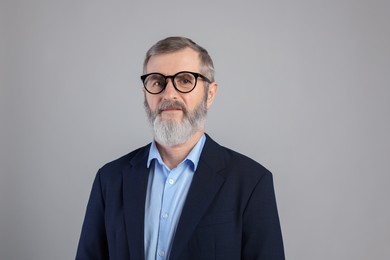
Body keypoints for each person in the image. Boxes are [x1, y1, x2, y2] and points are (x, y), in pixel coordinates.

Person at [76, 36, 285, 260]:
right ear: (145, 93)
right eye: (157, 82)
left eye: (185, 80)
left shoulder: (251, 182)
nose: (169, 93)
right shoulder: (110, 179)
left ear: (210, 94)